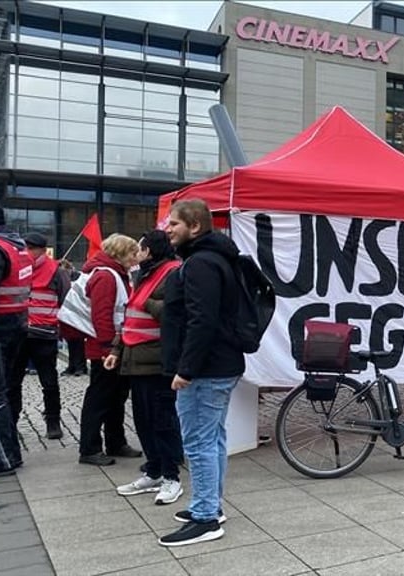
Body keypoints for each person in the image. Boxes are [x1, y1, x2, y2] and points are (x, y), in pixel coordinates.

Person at [159, 199, 245, 547]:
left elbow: (202, 320)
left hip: (205, 370)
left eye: (174, 224)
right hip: (219, 366)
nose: (167, 229)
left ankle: (206, 516)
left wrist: (186, 369)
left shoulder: (200, 264)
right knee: (213, 439)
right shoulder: (214, 258)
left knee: (198, 443)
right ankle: (211, 507)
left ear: (194, 227)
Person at [108, 231, 184, 505]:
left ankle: (171, 477)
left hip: (157, 362)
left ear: (149, 251)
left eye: (139, 249)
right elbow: (130, 316)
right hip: (136, 358)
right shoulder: (146, 275)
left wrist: (146, 303)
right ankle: (153, 471)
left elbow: (174, 313)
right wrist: (116, 350)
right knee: (143, 420)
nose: (136, 255)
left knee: (161, 421)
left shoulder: (173, 273)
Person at [78, 233, 143, 466]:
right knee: (100, 397)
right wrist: (108, 349)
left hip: (114, 346)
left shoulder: (114, 274)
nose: (136, 258)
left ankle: (116, 442)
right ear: (121, 253)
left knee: (116, 396)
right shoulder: (106, 276)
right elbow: (102, 316)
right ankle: (90, 448)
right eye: (133, 253)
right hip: (106, 348)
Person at [10, 233, 70, 439]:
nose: (26, 252)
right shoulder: (15, 268)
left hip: (45, 334)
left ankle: (53, 422)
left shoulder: (56, 271)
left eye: (30, 248)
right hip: (18, 333)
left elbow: (65, 300)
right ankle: (11, 421)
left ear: (42, 250)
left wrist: (60, 328)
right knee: (13, 381)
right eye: (24, 247)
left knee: (49, 381)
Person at [0, 198, 29, 477]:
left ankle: (1, 457)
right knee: (7, 390)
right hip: (15, 326)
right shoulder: (17, 246)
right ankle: (8, 452)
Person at [59, 259, 88, 377]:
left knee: (79, 342)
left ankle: (80, 366)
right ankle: (72, 365)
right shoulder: (63, 279)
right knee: (70, 342)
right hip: (67, 315)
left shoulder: (80, 279)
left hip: (78, 314)